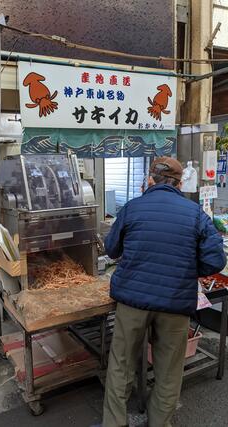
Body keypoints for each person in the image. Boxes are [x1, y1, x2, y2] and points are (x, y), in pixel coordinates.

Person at [103, 157, 226, 427]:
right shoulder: (195, 213)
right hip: (175, 303)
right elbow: (216, 260)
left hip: (132, 301)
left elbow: (111, 249)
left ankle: (115, 423)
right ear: (180, 183)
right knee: (169, 372)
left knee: (121, 366)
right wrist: (188, 268)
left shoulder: (132, 207)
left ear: (149, 180)